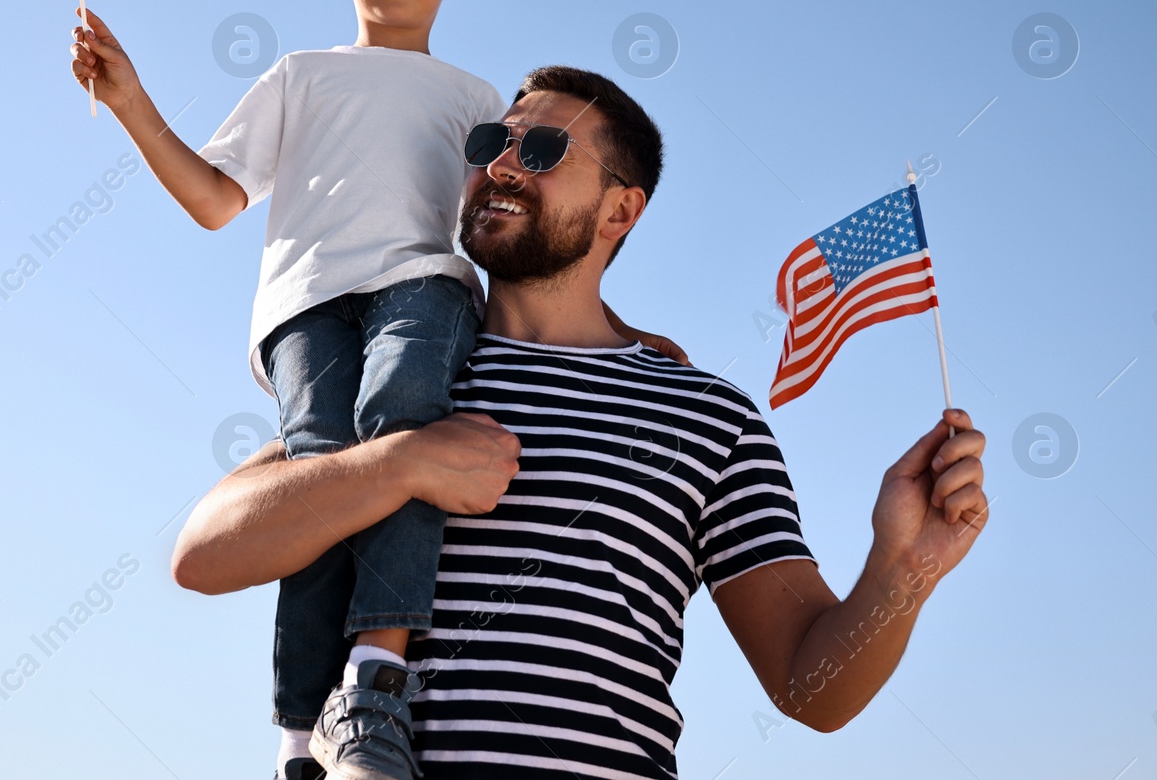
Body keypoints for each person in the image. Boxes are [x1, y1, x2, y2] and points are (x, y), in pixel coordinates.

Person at [172, 66, 990, 778]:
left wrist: (902, 571)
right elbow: (203, 552)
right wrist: (401, 463)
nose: (499, 162)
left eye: (541, 151)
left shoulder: (708, 417)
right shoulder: (401, 379)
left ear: (619, 212)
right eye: (492, 139)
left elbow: (811, 688)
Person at [70, 0, 676, 780]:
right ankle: (298, 731)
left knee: (405, 423)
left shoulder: (478, 101)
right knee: (323, 476)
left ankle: (377, 678)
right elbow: (213, 199)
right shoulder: (299, 75)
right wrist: (130, 106)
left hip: (422, 284)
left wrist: (625, 332)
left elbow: (517, 221)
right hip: (306, 302)